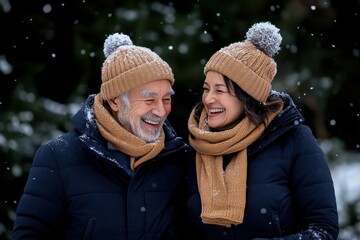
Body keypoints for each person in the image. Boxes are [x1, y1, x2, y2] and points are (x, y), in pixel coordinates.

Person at [12, 33, 188, 240]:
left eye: (166, 99)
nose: (160, 111)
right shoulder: (58, 157)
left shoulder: (178, 159)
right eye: (149, 100)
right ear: (114, 101)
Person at [185, 22, 339, 240]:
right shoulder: (197, 145)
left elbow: (323, 229)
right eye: (206, 88)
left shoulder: (294, 139)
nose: (208, 99)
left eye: (220, 90)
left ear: (248, 96)